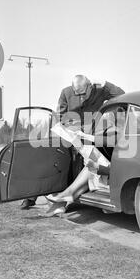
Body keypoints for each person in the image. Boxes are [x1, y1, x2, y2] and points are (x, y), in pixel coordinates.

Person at [20, 75, 124, 210]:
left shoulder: (100, 90)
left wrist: (106, 84)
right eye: (77, 94)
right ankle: (30, 197)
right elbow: (61, 116)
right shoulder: (66, 92)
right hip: (71, 133)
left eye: (82, 93)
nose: (80, 97)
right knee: (48, 157)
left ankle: (69, 197)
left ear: (89, 87)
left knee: (89, 159)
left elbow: (121, 95)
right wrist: (72, 127)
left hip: (90, 135)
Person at [44, 106, 127, 217]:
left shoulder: (127, 135)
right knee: (88, 168)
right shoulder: (118, 132)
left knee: (89, 167)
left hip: (116, 177)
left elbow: (111, 142)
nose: (113, 120)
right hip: (110, 173)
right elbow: (108, 141)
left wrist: (99, 167)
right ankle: (63, 201)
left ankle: (63, 198)